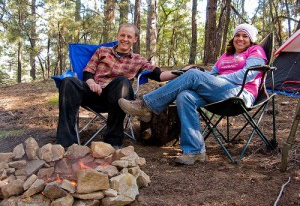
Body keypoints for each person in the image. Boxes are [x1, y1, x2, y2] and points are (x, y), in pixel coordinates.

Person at [118, 23, 267, 165]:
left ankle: (146, 104)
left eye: (245, 36)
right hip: (220, 92)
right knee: (185, 96)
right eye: (237, 35)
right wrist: (209, 77)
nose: (240, 39)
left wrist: (215, 78)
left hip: (241, 94)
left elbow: (248, 75)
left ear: (251, 40)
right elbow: (212, 74)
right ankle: (195, 151)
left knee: (193, 74)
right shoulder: (225, 56)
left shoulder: (255, 51)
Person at [56, 23, 188, 149]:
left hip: (118, 97)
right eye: (122, 35)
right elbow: (88, 71)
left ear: (135, 39)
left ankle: (113, 141)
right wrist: (91, 83)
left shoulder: (138, 60)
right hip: (93, 93)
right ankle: (66, 143)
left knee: (122, 82)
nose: (125, 39)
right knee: (68, 82)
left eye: (129, 36)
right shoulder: (102, 51)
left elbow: (159, 75)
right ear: (117, 36)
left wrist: (182, 72)